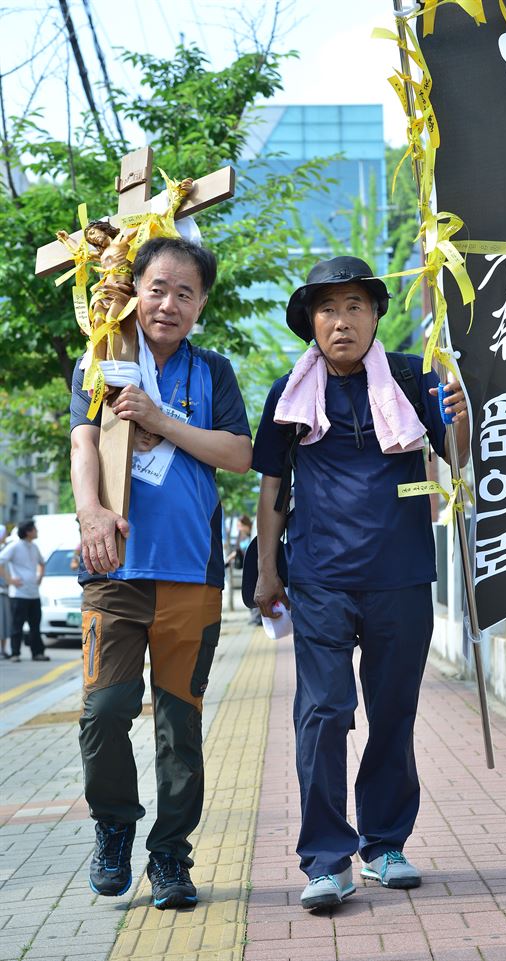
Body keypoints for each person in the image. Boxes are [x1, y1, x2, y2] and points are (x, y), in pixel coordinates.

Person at [251, 256, 470, 910]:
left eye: (353, 306)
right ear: (311, 323)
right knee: (323, 712)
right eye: (327, 309)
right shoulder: (289, 393)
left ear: (375, 314)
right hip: (318, 576)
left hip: (401, 575)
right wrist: (267, 570)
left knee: (393, 712)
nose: (340, 320)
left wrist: (458, 414)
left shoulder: (415, 376)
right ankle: (326, 858)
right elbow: (272, 485)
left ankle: (384, 843)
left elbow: (458, 458)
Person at [69, 236, 252, 910]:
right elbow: (84, 439)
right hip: (113, 568)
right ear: (135, 290)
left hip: (190, 574)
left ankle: (170, 855)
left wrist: (159, 417)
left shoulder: (214, 373)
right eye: (157, 288)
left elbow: (237, 453)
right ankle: (115, 822)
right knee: (103, 712)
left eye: (185, 292)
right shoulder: (102, 359)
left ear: (201, 303)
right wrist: (90, 511)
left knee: (181, 725)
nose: (169, 303)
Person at [0, 520, 49, 663]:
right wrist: (9, 580)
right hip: (19, 593)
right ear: (28, 531)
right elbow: (1, 561)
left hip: (33, 592)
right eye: (35, 529)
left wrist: (40, 577)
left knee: (35, 625)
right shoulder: (15, 546)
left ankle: (37, 653)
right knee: (17, 625)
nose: (37, 531)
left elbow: (42, 563)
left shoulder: (34, 547)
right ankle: (15, 653)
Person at [0, 525, 13, 658]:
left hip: (4, 590)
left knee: (4, 621)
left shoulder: (6, 548)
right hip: (2, 590)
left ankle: (3, 649)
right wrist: (9, 581)